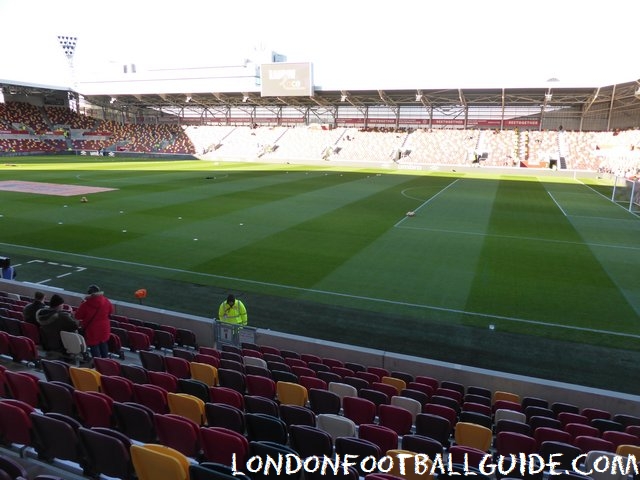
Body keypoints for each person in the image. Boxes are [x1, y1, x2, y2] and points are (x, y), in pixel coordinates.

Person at [36, 294, 79, 359]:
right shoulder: (61, 316)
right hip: (60, 346)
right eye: (62, 304)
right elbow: (75, 326)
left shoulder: (41, 314)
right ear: (59, 305)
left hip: (46, 343)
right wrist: (72, 317)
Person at [75, 284, 113, 358]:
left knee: (94, 346)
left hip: (92, 330)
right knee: (103, 344)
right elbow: (110, 311)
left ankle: (98, 364)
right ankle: (106, 362)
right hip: (104, 328)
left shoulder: (85, 304)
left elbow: (77, 316)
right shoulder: (106, 300)